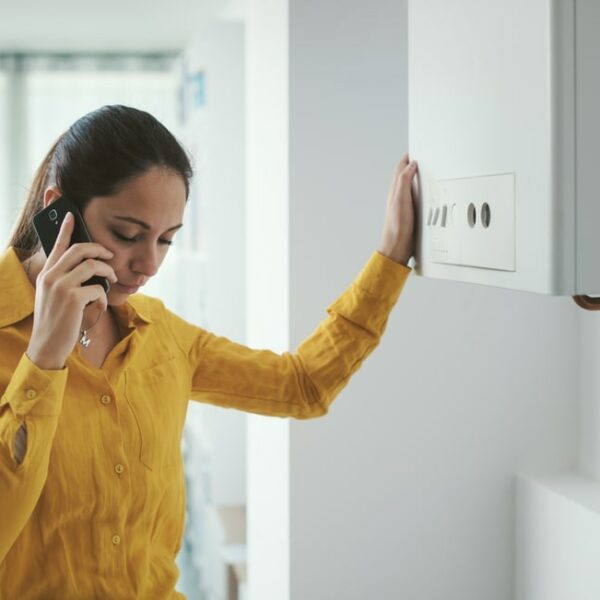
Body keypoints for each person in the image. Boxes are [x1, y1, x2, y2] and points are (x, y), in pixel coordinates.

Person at [0, 104, 417, 598]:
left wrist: (390, 258)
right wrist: (43, 360)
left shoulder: (164, 338)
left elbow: (302, 386)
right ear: (59, 210)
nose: (149, 264)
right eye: (127, 235)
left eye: (166, 240)